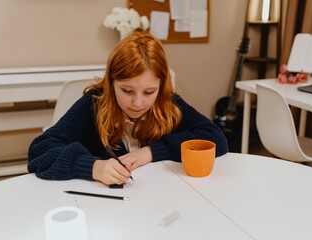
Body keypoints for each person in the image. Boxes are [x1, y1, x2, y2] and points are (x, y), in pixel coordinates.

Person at [28, 31, 228, 186]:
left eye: (149, 92)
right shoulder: (94, 103)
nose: (138, 103)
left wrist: (153, 151)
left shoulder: (168, 102)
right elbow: (39, 152)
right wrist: (93, 167)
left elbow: (216, 138)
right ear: (111, 83)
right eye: (127, 90)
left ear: (161, 86)